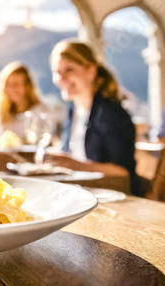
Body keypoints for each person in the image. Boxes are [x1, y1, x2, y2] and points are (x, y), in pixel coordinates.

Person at [47, 39, 142, 197]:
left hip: (114, 198)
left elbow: (123, 172)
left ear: (91, 71)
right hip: (80, 194)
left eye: (69, 70)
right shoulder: (72, 112)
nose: (61, 79)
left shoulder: (110, 113)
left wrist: (75, 165)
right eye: (57, 72)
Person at [0, 62, 48, 143]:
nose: (11, 89)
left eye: (16, 84)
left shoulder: (39, 112)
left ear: (27, 87)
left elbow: (43, 138)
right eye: (8, 84)